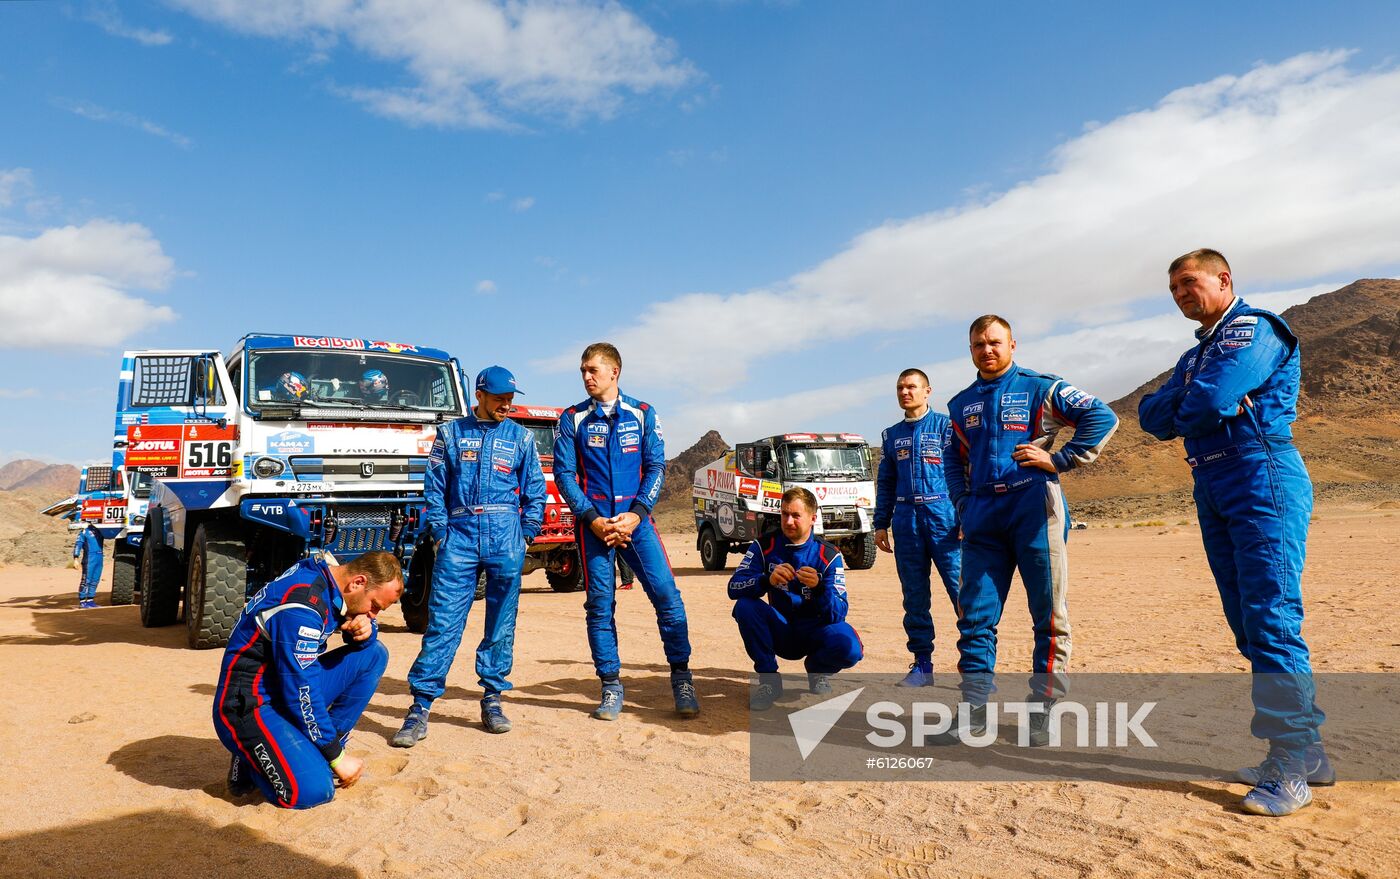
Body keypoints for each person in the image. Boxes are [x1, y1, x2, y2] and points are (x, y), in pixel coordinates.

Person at [1138, 249, 1329, 816]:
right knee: (1246, 622)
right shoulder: (1196, 354)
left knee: (1271, 617)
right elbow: (1151, 417)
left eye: (1188, 282)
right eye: (1173, 288)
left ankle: (1288, 763)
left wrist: (1196, 402)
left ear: (1223, 279)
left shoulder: (1256, 328)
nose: (1180, 294)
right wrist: (1193, 402)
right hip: (1212, 480)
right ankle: (1310, 753)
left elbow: (1213, 399)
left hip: (1259, 473)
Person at [943, 314, 1118, 743]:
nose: (987, 349)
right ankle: (973, 712)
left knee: (1049, 615)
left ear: (1012, 344)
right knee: (974, 618)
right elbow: (953, 461)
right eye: (979, 344)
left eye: (995, 342)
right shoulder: (960, 404)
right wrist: (963, 503)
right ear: (970, 350)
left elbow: (1101, 416)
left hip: (1034, 508)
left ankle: (1042, 709)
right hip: (983, 516)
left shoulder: (1041, 387)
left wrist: (1059, 460)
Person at [393, 365, 546, 744]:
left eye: (510, 399)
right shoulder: (450, 434)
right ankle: (420, 707)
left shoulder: (522, 438)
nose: (506, 405)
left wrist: (526, 534)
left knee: (501, 624)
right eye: (499, 399)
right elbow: (434, 487)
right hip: (459, 537)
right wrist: (441, 533)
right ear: (479, 395)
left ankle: (492, 699)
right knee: (443, 622)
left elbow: (535, 491)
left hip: (505, 536)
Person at [554, 342, 699, 721]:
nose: (586, 377)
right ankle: (610, 685)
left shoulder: (644, 413)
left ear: (614, 371)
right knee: (600, 606)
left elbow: (656, 467)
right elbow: (564, 474)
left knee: (667, 596)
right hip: (594, 527)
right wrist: (592, 518)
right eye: (583, 371)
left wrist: (636, 514)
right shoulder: (572, 418)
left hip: (638, 524)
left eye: (593, 370)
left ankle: (682, 678)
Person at [213, 550, 403, 809]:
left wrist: (366, 631)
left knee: (373, 654)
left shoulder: (330, 577)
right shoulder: (302, 606)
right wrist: (337, 757)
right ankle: (248, 761)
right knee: (314, 791)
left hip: (279, 688)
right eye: (375, 606)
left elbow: (300, 682)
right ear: (358, 582)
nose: (373, 614)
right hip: (247, 705)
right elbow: (301, 690)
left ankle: (315, 754)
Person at [729, 487, 864, 710]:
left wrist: (819, 589)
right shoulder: (764, 546)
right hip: (781, 629)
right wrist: (766, 580)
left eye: (796, 515)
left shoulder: (829, 555)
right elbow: (734, 587)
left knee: (850, 648)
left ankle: (817, 670)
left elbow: (839, 612)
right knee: (745, 606)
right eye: (784, 514)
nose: (788, 521)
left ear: (813, 518)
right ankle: (769, 681)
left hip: (815, 632)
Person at [873, 368, 961, 687]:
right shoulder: (890, 435)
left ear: (927, 391)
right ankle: (922, 664)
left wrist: (967, 516)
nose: (905, 392)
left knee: (962, 589)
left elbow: (965, 471)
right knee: (914, 595)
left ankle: (976, 665)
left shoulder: (947, 427)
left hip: (944, 515)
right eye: (900, 387)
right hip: (906, 519)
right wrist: (880, 523)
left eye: (911, 386)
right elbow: (886, 482)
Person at [72, 522, 104, 609]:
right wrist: (76, 558)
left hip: (99, 557)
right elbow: (78, 544)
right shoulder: (84, 531)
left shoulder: (100, 530)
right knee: (86, 580)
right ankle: (82, 601)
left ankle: (90, 600)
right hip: (89, 558)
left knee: (95, 580)